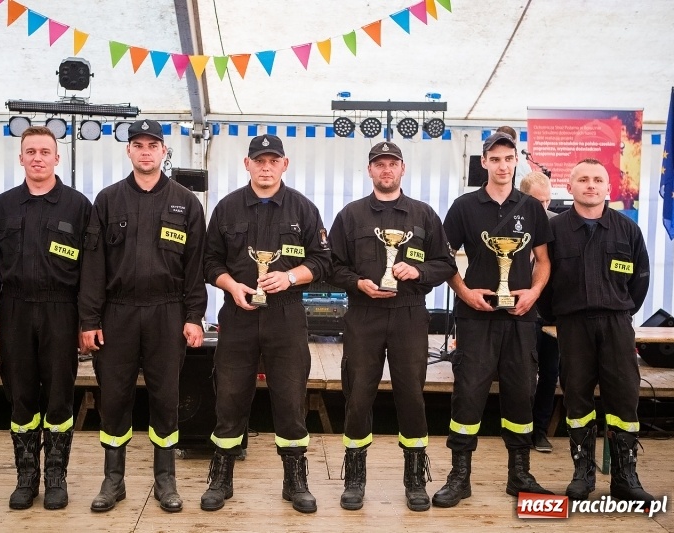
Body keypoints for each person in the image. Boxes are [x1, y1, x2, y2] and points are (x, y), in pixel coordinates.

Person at [79, 119, 207, 513]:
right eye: (139, 145)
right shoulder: (107, 200)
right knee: (114, 396)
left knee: (166, 396)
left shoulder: (187, 202)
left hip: (167, 313)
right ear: (129, 151)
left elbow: (195, 266)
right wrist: (89, 320)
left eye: (154, 145)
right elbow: (93, 265)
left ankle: (165, 479)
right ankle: (112, 480)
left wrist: (194, 316)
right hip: (117, 314)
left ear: (165, 151)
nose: (146, 151)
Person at [200, 134, 331, 514]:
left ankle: (295, 480)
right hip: (238, 314)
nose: (266, 166)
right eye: (259, 160)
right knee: (229, 398)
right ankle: (221, 477)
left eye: (273, 160)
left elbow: (323, 262)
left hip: (286, 316)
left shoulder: (303, 210)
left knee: (290, 401)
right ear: (247, 164)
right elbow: (210, 262)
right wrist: (230, 285)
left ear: (284, 165)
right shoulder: (227, 209)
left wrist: (290, 278)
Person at [328, 141, 456, 512]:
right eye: (379, 164)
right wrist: (357, 283)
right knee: (358, 396)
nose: (386, 170)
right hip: (363, 314)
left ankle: (415, 479)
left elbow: (445, 264)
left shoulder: (424, 215)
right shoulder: (351, 216)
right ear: (369, 170)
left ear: (403, 169)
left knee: (412, 398)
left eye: (392, 164)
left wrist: (418, 270)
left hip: (409, 313)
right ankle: (354, 479)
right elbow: (332, 265)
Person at [433, 132, 553, 508]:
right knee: (468, 395)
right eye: (495, 159)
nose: (503, 165)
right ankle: (459, 476)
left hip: (520, 317)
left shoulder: (532, 207)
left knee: (521, 394)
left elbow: (544, 262)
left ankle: (519, 475)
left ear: (517, 161)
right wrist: (464, 292)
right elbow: (444, 256)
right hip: (475, 317)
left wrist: (533, 293)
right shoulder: (464, 206)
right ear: (483, 162)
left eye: (509, 158)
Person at [0, 126, 92, 510]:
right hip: (14, 308)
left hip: (61, 309)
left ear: (56, 158)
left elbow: (90, 270)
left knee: (60, 394)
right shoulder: (0, 207)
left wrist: (86, 320)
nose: (37, 157)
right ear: (21, 158)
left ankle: (56, 478)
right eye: (30, 151)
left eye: (44, 151)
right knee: (20, 395)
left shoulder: (79, 207)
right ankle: (27, 477)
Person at [537, 159, 653, 503]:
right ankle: (583, 473)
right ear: (569, 187)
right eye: (583, 180)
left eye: (598, 180)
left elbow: (640, 279)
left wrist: (622, 309)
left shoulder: (626, 229)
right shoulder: (554, 231)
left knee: (624, 398)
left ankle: (625, 477)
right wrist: (555, 317)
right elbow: (542, 281)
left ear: (608, 188)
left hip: (617, 323)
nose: (591, 185)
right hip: (573, 325)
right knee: (577, 397)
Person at [519, 171, 559, 453]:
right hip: (521, 311)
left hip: (550, 314)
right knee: (521, 372)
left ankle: (541, 430)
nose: (543, 208)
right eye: (537, 201)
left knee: (550, 372)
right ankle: (520, 429)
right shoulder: (511, 222)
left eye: (547, 201)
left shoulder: (559, 226)